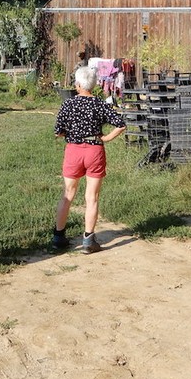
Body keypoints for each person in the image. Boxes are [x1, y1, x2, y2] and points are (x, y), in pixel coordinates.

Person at [52, 65, 127, 253]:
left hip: (73, 151)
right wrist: (106, 138)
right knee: (91, 197)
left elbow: (58, 132)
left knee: (68, 194)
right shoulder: (101, 104)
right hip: (94, 151)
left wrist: (70, 133)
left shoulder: (68, 104)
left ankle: (58, 237)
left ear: (77, 84)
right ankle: (88, 240)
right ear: (93, 85)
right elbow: (120, 124)